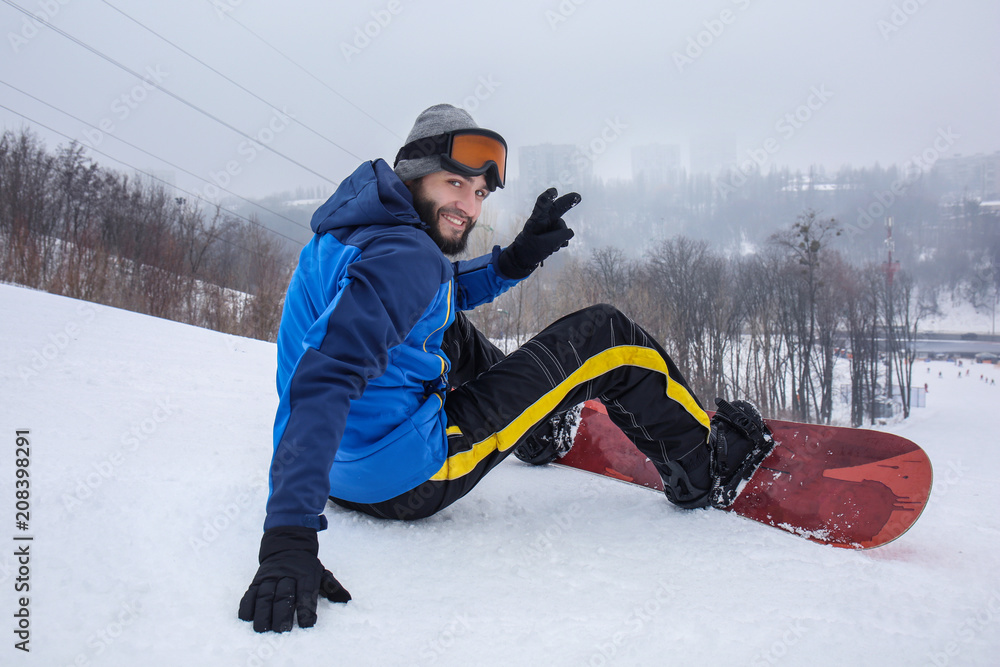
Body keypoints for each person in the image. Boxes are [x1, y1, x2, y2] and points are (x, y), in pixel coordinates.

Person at [238, 104, 774, 633]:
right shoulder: (406, 256)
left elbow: (433, 289)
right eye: (455, 184)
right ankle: (705, 466)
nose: (468, 207)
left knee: (446, 324)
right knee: (608, 335)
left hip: (341, 472)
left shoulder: (351, 231)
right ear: (415, 174)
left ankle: (537, 431)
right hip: (407, 478)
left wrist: (516, 257)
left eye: (479, 194)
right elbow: (323, 380)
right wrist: (288, 539)